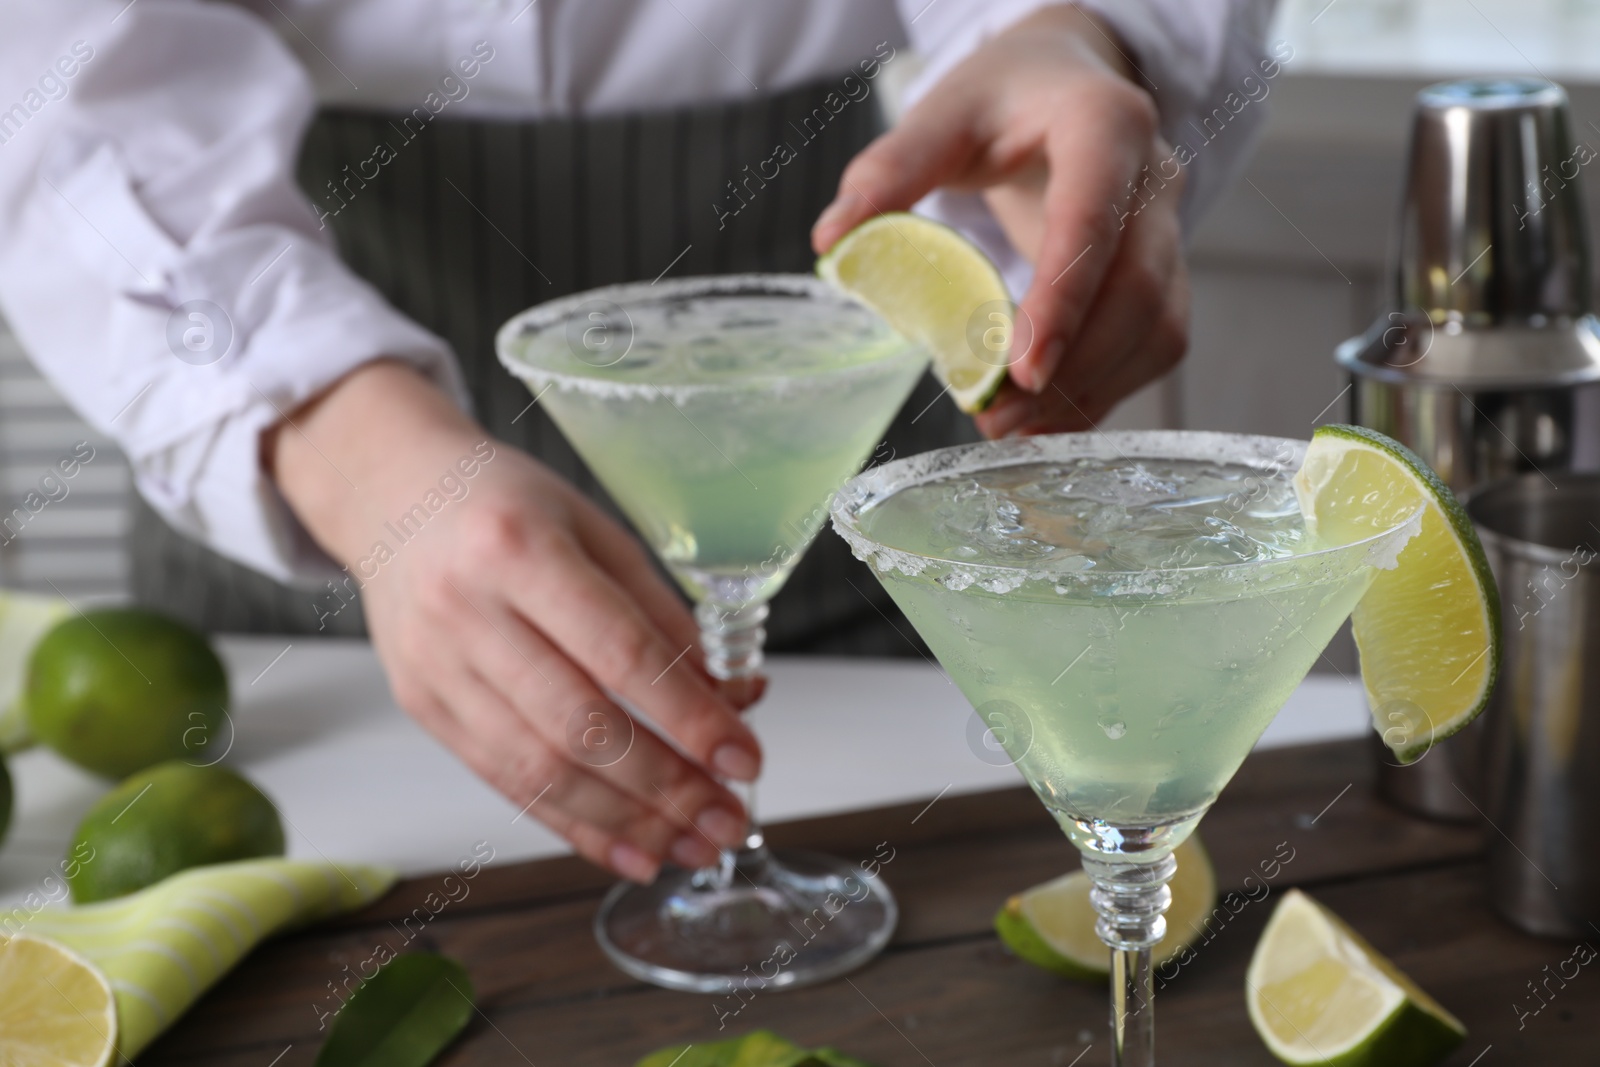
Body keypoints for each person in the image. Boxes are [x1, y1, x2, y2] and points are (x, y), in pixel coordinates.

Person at [0, 1, 1277, 882]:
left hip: (848, 515)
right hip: (283, 546)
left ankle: (745, 883)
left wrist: (1070, 34)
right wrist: (351, 452)